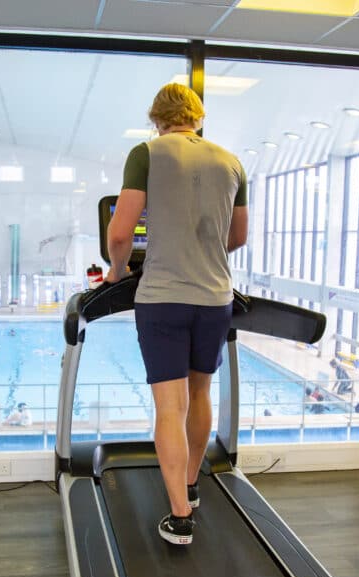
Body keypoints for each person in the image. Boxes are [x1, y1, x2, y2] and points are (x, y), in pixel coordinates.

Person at [105, 83, 248, 546]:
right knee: (200, 393)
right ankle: (190, 485)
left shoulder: (146, 154)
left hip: (163, 298)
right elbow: (237, 237)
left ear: (157, 119)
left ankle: (180, 517)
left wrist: (116, 271)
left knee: (170, 406)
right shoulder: (231, 161)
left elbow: (121, 232)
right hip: (215, 298)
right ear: (198, 118)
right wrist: (202, 253)